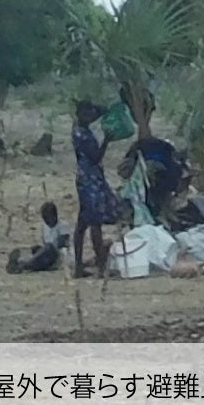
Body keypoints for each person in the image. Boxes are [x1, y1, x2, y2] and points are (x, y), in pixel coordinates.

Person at [72, 100, 121, 278]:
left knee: (83, 223)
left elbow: (99, 111)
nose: (90, 116)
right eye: (87, 113)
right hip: (90, 182)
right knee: (95, 223)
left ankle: (79, 266)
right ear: (79, 114)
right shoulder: (83, 135)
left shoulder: (79, 129)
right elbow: (96, 157)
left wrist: (108, 110)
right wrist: (107, 140)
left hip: (87, 180)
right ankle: (101, 266)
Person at [6, 202, 71, 274]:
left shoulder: (63, 226)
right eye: (44, 218)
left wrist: (45, 250)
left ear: (54, 216)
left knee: (48, 248)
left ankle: (25, 265)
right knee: (36, 248)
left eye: (47, 218)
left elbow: (60, 244)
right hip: (47, 255)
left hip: (59, 259)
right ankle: (20, 260)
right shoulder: (45, 227)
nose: (46, 221)